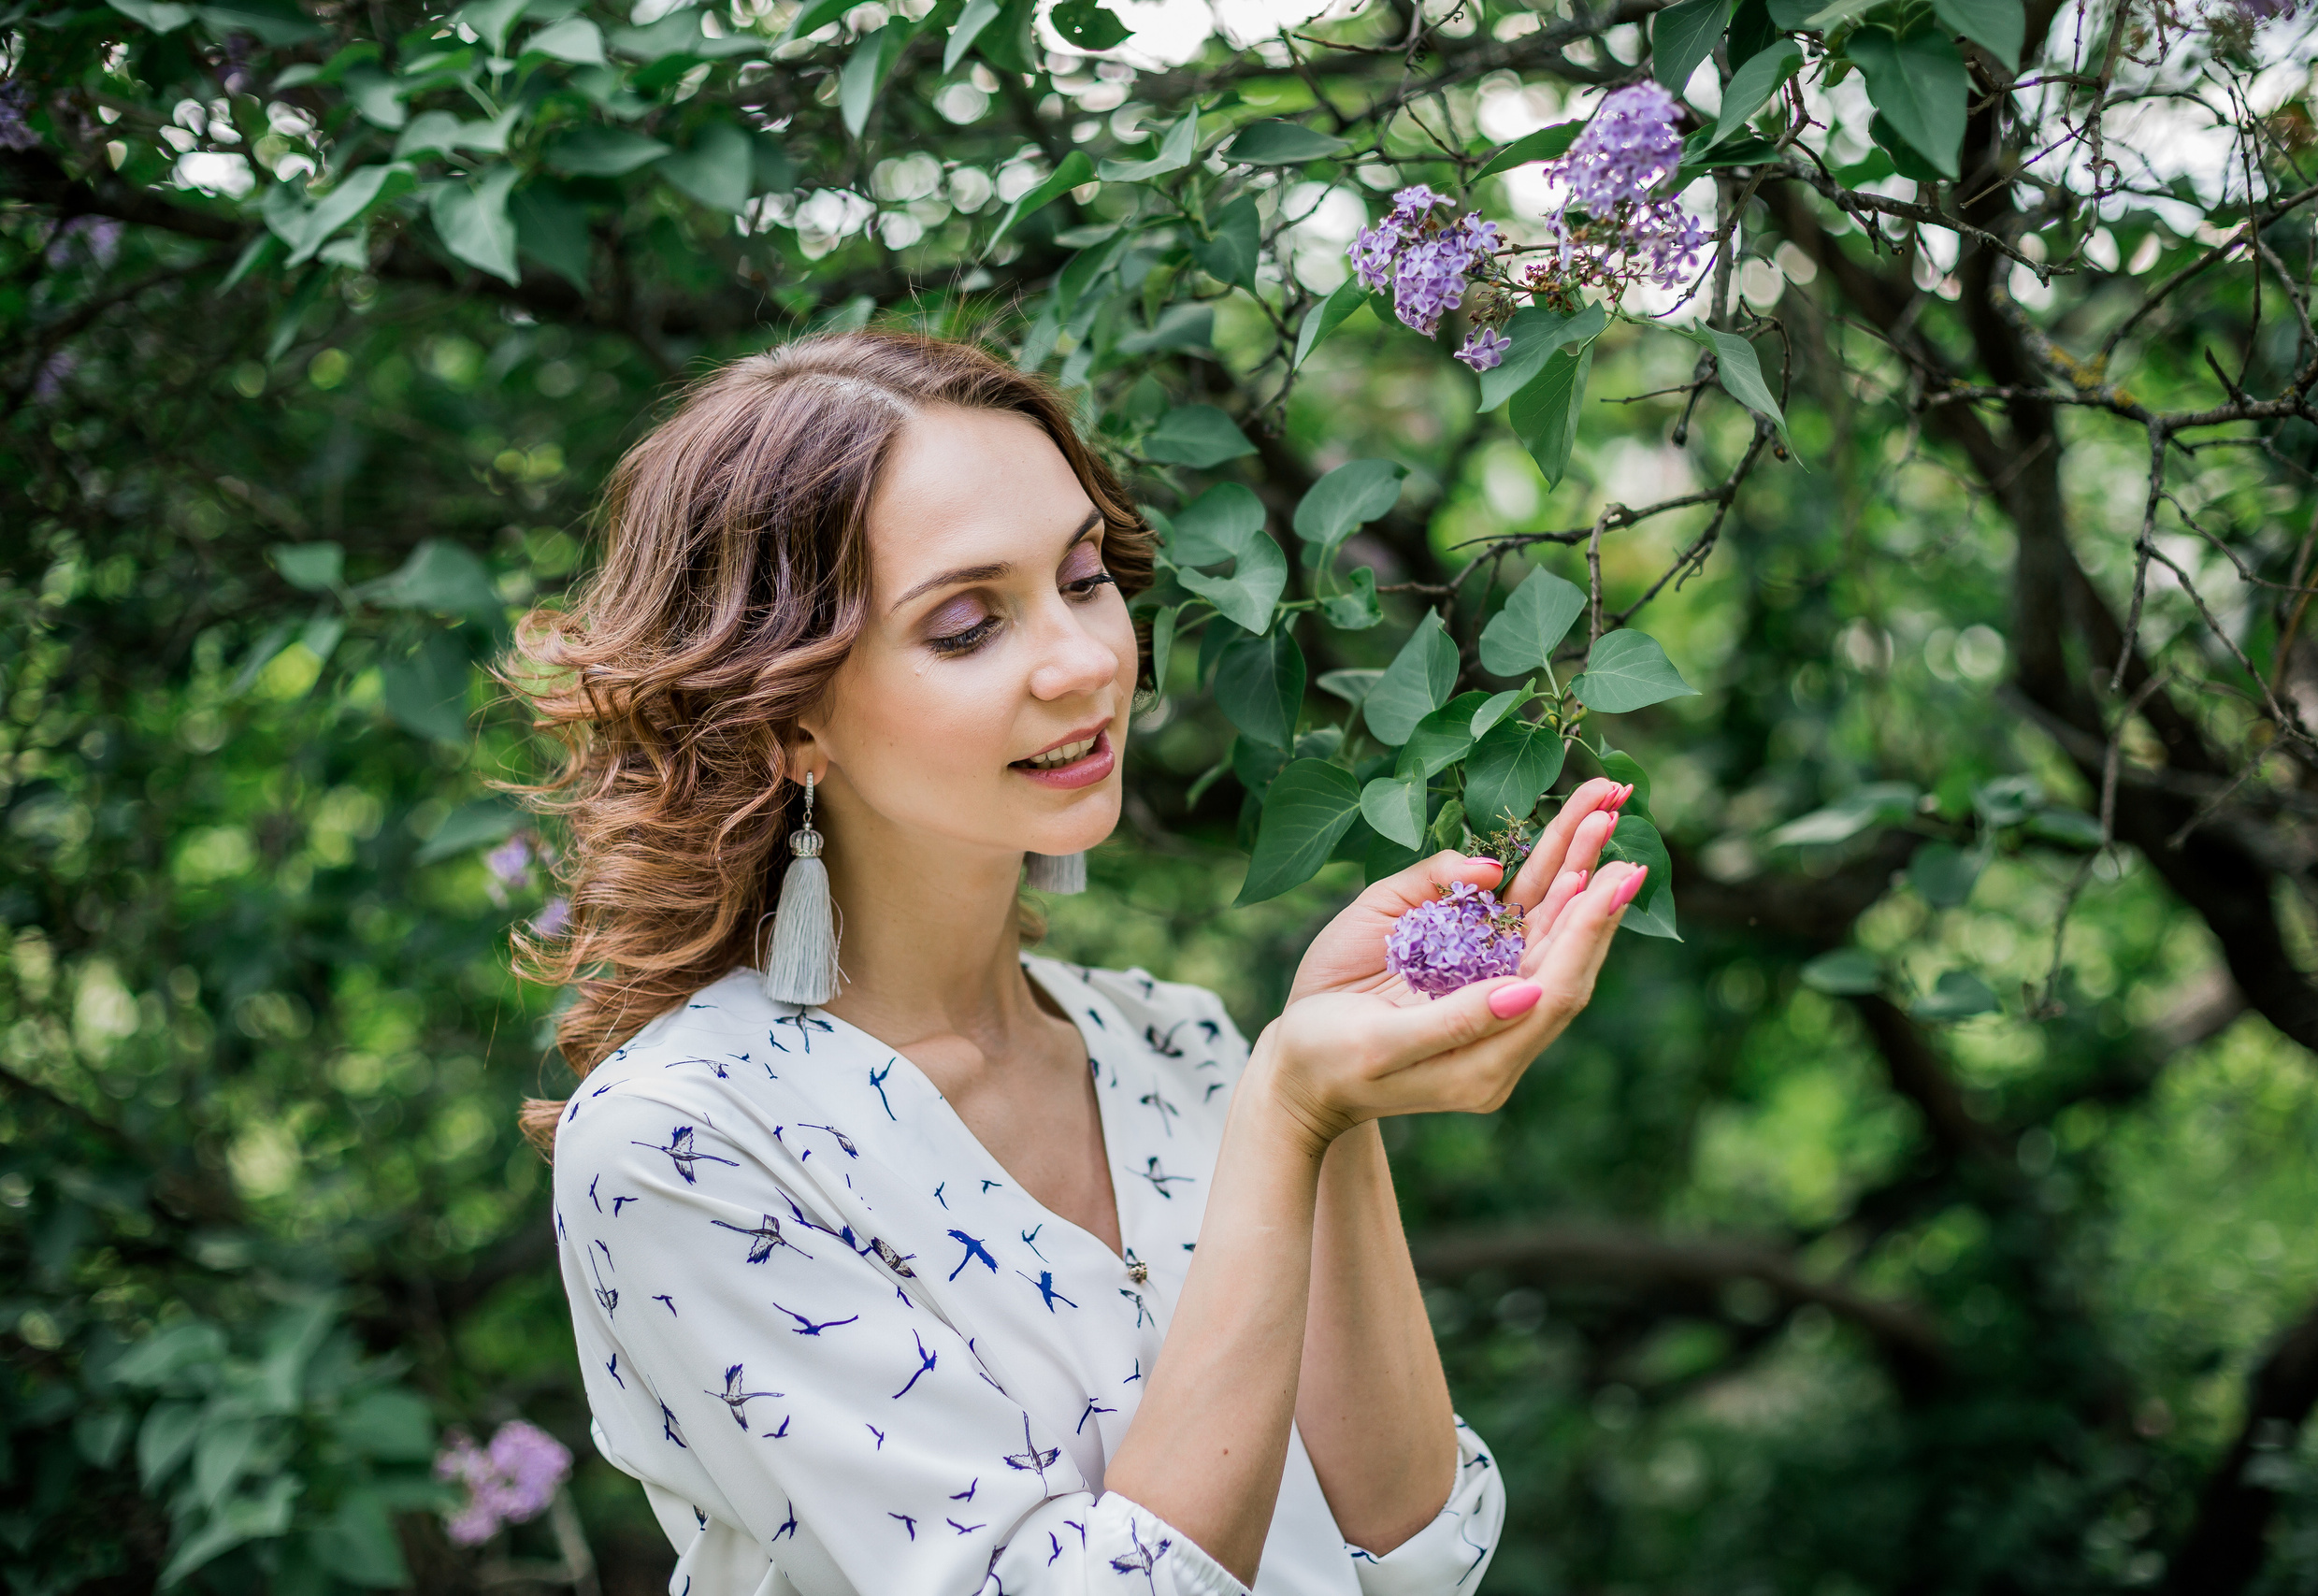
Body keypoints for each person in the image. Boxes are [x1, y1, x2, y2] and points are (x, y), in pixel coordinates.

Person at [504, 329, 1644, 1596]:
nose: (1089, 661)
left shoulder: (1180, 1045)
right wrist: (1288, 1111)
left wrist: (1337, 1108)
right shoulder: (687, 1145)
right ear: (788, 720)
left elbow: (1416, 1556)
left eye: (1085, 576)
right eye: (967, 624)